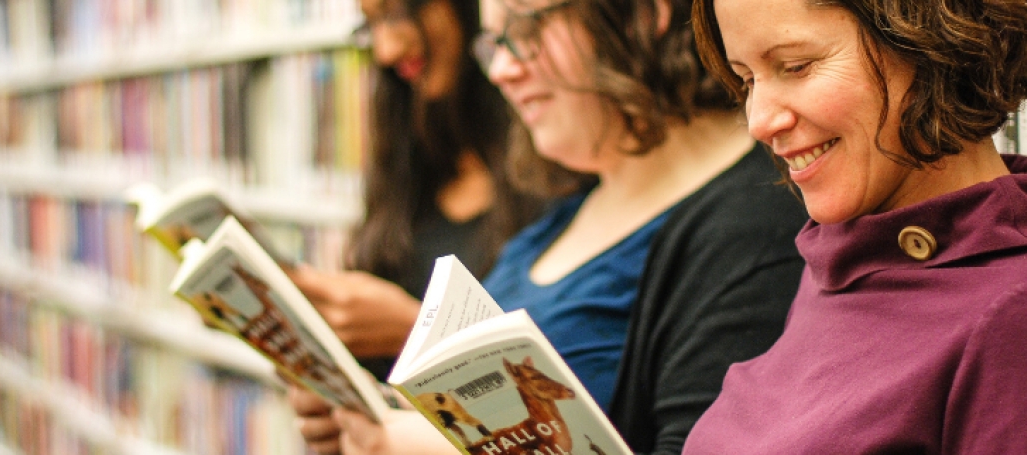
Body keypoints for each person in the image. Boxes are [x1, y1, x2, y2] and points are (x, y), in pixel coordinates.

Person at [303, 0, 809, 452]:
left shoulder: (752, 220)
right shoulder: (564, 208)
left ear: (640, 12)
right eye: (493, 43)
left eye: (525, 31)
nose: (501, 69)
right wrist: (369, 413)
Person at [683, 0, 1027, 452]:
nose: (759, 121)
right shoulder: (845, 251)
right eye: (746, 78)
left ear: (927, 39)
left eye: (796, 67)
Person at [284, 0, 543, 451]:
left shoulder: (555, 177)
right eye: (371, 26)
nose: (386, 49)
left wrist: (416, 331)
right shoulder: (407, 172)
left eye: (399, 13)